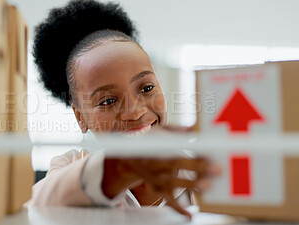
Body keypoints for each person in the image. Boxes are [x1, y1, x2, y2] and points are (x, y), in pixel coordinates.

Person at [29, 0, 219, 218]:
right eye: (108, 101)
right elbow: (35, 207)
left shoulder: (203, 172)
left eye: (147, 88)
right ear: (80, 117)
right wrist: (116, 172)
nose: (135, 112)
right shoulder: (69, 166)